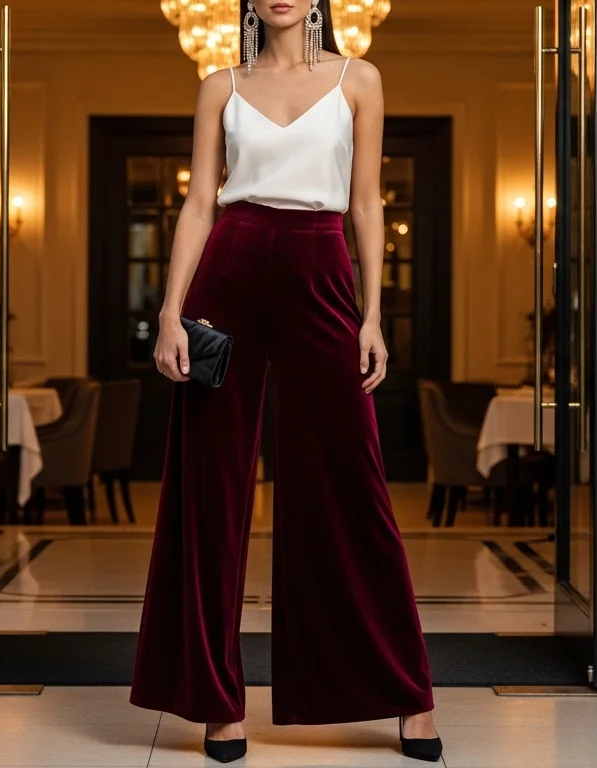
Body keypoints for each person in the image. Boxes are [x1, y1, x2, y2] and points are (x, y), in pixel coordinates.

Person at [128, 0, 441, 763]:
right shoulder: (218, 84)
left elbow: (367, 202)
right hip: (229, 270)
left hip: (321, 268)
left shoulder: (360, 79)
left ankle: (405, 693)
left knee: (349, 482)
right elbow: (199, 202)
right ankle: (215, 703)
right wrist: (170, 310)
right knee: (211, 487)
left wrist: (373, 315)